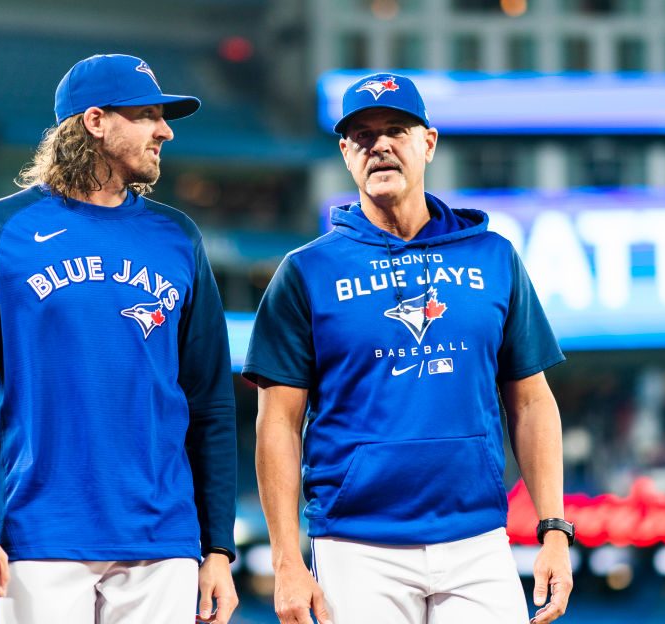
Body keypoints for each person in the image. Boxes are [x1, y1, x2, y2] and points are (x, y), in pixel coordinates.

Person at [244, 72, 574, 624]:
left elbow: (533, 402)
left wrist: (554, 529)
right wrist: (286, 562)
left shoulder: (494, 258)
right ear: (346, 153)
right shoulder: (305, 272)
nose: (381, 145)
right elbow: (277, 422)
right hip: (357, 545)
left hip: (478, 537)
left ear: (428, 142)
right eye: (363, 135)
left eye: (396, 128)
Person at [0, 54, 238, 623]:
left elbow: (211, 402)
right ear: (95, 121)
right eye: (147, 115)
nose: (164, 131)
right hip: (39, 532)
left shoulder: (178, 237)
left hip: (162, 539)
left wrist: (218, 546)